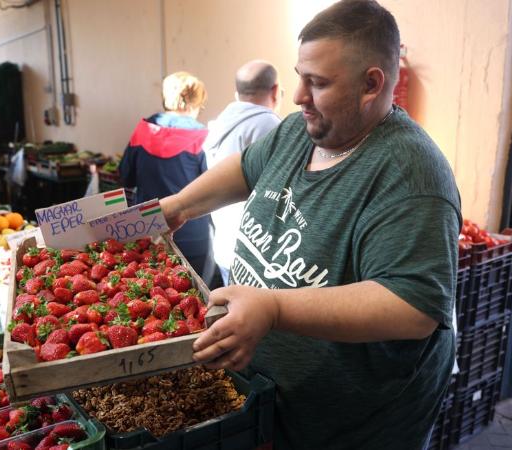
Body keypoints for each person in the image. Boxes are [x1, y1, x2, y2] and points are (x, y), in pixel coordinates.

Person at [161, 1, 461, 448]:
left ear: (371, 84)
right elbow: (247, 167)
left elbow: (413, 307)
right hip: (269, 408)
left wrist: (274, 308)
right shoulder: (303, 129)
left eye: (317, 83)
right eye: (300, 75)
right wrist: (180, 206)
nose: (299, 95)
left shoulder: (411, 175)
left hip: (348, 431)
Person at [119, 71, 218, 285]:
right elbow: (214, 188)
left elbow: (125, 176)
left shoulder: (144, 130)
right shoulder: (204, 137)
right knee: (194, 297)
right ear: (194, 103)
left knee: (152, 297)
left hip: (148, 228)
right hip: (193, 235)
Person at [204, 60, 282, 285]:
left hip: (224, 243)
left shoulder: (222, 122)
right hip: (255, 251)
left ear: (236, 93)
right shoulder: (268, 125)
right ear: (275, 90)